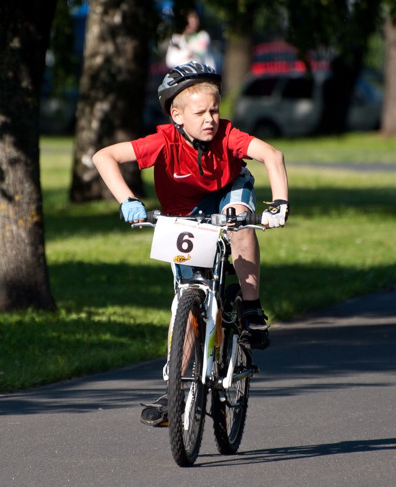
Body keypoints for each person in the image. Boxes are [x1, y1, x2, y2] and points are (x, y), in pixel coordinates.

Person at [92, 62, 289, 426]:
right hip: (186, 213)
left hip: (229, 191)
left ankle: (250, 309)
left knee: (239, 221)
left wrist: (279, 204)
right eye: (201, 112)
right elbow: (104, 156)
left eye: (215, 109)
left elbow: (272, 156)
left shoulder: (227, 135)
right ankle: (177, 392)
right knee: (187, 297)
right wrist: (127, 200)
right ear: (177, 115)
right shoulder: (163, 141)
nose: (211, 118)